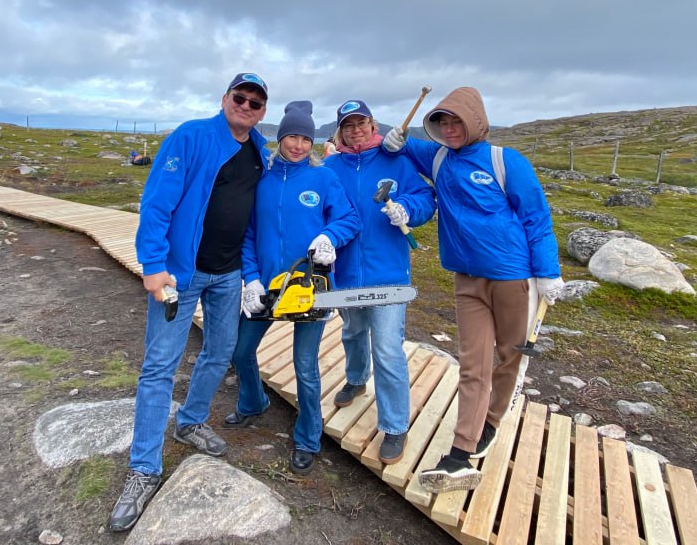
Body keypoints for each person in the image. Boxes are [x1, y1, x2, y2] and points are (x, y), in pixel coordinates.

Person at [109, 72, 271, 533]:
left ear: (262, 112)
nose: (246, 106)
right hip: (181, 273)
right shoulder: (191, 136)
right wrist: (153, 264)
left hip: (229, 274)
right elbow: (157, 203)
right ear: (225, 99)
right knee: (160, 365)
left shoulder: (259, 150)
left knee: (221, 351)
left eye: (255, 103)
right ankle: (143, 469)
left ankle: (191, 421)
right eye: (240, 97)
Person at [382, 87, 563, 493]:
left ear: (475, 121)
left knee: (510, 356)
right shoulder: (440, 156)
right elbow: (403, 147)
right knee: (473, 362)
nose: (450, 129)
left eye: (457, 121)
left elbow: (536, 217)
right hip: (466, 278)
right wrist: (391, 140)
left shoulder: (505, 161)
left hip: (514, 278)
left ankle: (493, 421)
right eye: (443, 122)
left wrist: (548, 273)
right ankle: (461, 454)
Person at [228, 101, 360, 475]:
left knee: (305, 366)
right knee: (240, 352)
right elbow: (250, 233)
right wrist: (250, 278)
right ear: (281, 138)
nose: (298, 145)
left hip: (310, 287)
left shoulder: (323, 178)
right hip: (267, 285)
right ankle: (253, 403)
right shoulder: (263, 179)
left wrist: (329, 235)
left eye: (305, 138)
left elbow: (348, 217)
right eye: (292, 137)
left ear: (312, 141)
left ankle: (307, 438)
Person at [322, 99, 435, 464]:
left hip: (387, 273)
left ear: (373, 125)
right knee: (353, 333)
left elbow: (425, 199)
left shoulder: (396, 161)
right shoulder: (329, 166)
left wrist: (409, 210)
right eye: (348, 125)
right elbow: (316, 207)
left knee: (387, 348)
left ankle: (395, 425)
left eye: (361, 123)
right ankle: (356, 378)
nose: (355, 130)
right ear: (339, 131)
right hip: (344, 273)